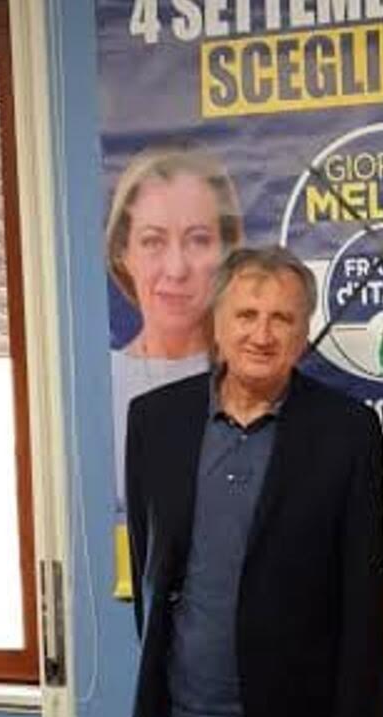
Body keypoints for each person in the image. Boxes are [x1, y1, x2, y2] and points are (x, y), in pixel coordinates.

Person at [125, 246, 383, 717]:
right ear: (217, 324)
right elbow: (150, 565)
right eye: (246, 315)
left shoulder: (349, 431)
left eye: (281, 319)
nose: (262, 336)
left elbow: (362, 601)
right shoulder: (154, 420)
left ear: (303, 334)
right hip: (181, 708)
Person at [108, 146, 243, 523]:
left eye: (198, 240)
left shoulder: (256, 377)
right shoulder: (95, 388)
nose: (176, 268)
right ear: (123, 253)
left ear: (228, 251)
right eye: (153, 241)